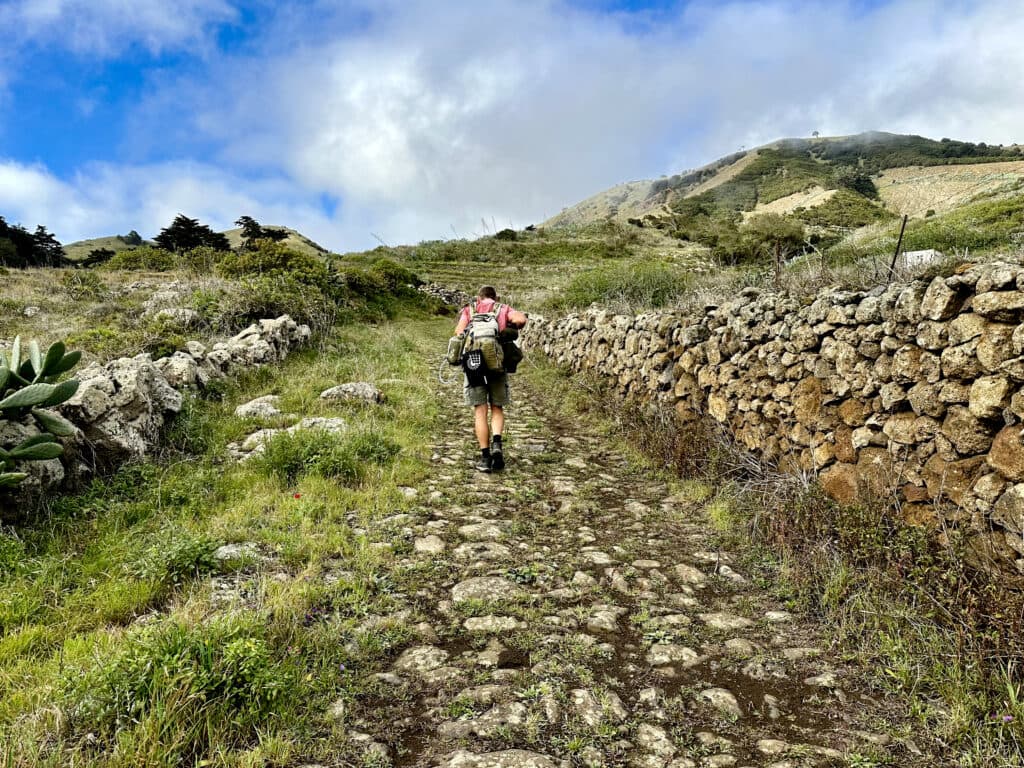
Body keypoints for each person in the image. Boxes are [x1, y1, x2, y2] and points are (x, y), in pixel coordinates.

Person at [454, 286, 528, 472]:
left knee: (480, 410)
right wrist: (510, 328)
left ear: (479, 298)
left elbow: (458, 333)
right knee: (497, 407)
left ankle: (485, 458)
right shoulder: (502, 308)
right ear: (495, 297)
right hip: (497, 364)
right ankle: (497, 445)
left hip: (474, 365)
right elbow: (521, 319)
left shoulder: (470, 309)